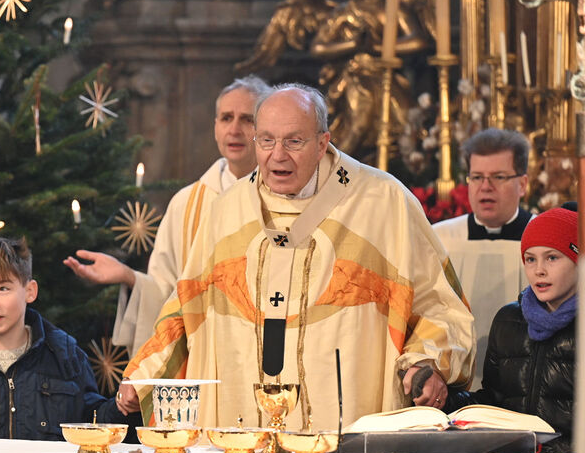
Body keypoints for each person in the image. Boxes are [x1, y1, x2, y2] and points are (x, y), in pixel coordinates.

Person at [118, 84, 475, 431]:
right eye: (266, 141)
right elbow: (186, 306)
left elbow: (442, 306)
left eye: (293, 141)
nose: (278, 155)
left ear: (322, 143)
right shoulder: (226, 211)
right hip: (241, 433)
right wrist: (145, 375)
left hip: (346, 426)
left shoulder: (384, 203)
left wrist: (426, 362)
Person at [63, 76, 273, 355]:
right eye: (226, 118)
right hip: (201, 354)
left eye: (247, 120)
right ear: (215, 127)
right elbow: (166, 295)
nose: (234, 129)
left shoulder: (282, 200)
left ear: (267, 130)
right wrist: (129, 276)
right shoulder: (186, 204)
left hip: (264, 348)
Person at [0, 237, 136, 439]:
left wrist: (123, 404)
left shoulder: (67, 358)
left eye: (3, 288)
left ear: (30, 291)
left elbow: (93, 425)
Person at [445, 207, 577, 453]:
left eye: (552, 258)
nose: (539, 270)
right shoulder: (508, 320)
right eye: (530, 259)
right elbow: (493, 402)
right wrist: (443, 400)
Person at [433, 128, 533, 387]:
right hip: (455, 386)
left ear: (522, 184)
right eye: (477, 177)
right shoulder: (440, 238)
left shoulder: (544, 239)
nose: (485, 187)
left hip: (527, 384)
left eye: (498, 177)